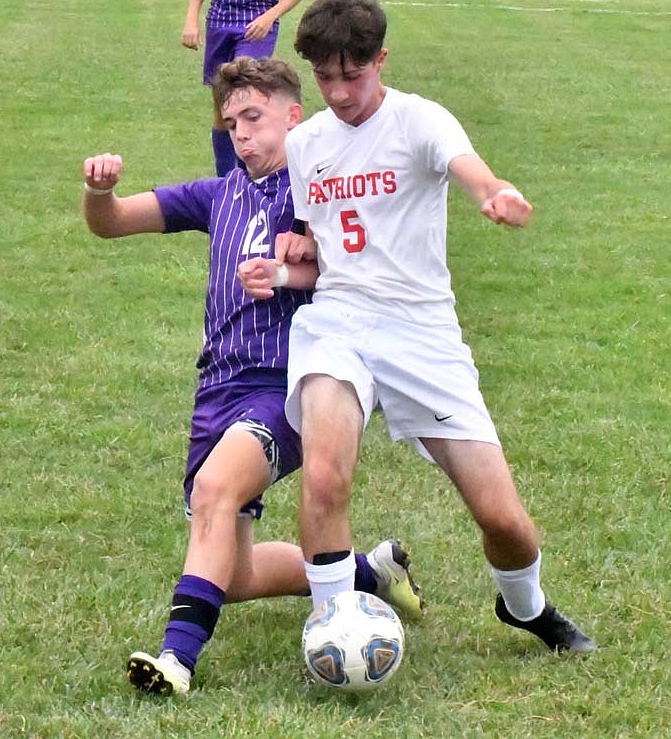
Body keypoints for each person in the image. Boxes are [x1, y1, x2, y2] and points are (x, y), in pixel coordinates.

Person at [237, 0, 596, 654]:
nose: (340, 92)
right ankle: (333, 628)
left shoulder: (421, 121)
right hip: (337, 325)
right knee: (325, 474)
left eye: (354, 73)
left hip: (421, 333)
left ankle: (525, 607)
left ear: (382, 60)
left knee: (505, 522)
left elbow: (474, 175)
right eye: (325, 76)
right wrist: (290, 255)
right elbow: (318, 241)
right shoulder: (306, 143)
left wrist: (498, 195)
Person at [80, 56, 423, 697]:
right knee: (231, 575)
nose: (240, 133)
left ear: (295, 117)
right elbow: (114, 223)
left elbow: (364, 270)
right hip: (216, 388)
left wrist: (299, 266)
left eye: (254, 118)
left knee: (215, 489)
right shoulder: (218, 195)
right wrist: (100, 191)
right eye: (231, 121)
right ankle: (369, 575)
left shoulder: (319, 191)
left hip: (287, 388)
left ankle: (177, 659)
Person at [182, 0, 307, 177]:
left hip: (256, 27)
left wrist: (269, 17)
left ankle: (247, 176)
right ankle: (226, 181)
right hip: (219, 22)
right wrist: (191, 19)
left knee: (241, 93)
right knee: (222, 106)